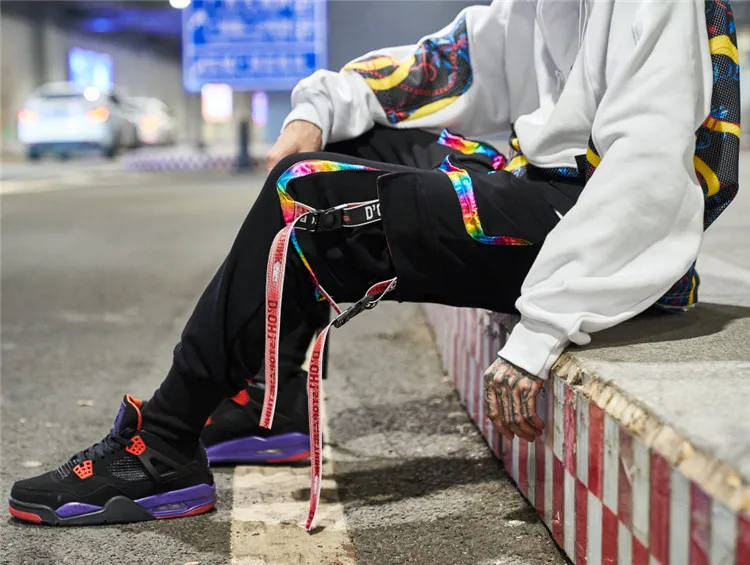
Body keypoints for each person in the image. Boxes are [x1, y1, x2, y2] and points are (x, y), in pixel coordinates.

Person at [9, 0, 739, 530]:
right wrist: (317, 110)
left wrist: (544, 328)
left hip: (605, 236)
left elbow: (650, 171)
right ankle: (272, 397)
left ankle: (163, 442)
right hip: (551, 197)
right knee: (336, 150)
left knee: (312, 194)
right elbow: (440, 67)